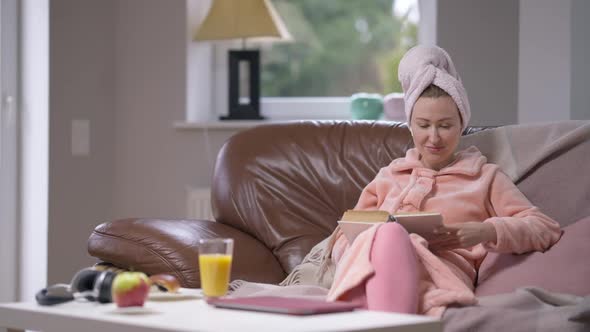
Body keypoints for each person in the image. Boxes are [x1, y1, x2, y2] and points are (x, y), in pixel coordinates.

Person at [323, 45, 562, 317]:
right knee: (386, 234)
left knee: (390, 237)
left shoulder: (485, 177)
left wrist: (485, 231)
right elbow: (345, 235)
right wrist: (361, 242)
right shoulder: (389, 176)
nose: (434, 138)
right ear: (410, 126)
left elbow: (545, 228)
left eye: (445, 126)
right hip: (371, 271)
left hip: (437, 278)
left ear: (461, 125)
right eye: (424, 125)